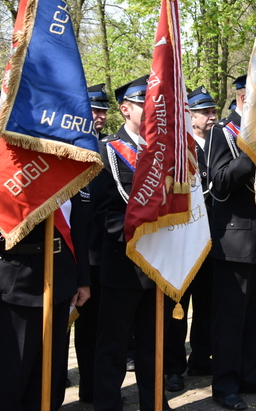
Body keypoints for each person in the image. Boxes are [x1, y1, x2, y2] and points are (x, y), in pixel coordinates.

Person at [205, 76, 256, 410]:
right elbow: (219, 182)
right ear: (245, 99)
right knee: (230, 318)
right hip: (235, 242)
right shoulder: (222, 133)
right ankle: (225, 384)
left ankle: (251, 376)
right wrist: (253, 151)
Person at [90, 75, 171, 411]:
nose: (150, 108)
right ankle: (107, 404)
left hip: (161, 262)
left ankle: (154, 402)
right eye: (143, 103)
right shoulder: (107, 151)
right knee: (113, 343)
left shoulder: (164, 151)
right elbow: (104, 210)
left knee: (154, 341)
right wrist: (137, 236)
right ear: (125, 109)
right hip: (123, 262)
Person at [0, 195, 90, 411]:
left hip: (59, 278)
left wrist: (83, 279)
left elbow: (77, 223)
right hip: (13, 281)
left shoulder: (62, 164)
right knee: (9, 376)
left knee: (47, 376)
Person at [162, 86, 218, 390]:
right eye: (204, 113)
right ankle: (172, 366)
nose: (211, 118)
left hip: (210, 240)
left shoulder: (219, 143)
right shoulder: (177, 148)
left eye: (213, 112)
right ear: (189, 116)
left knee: (206, 304)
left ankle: (200, 357)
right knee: (177, 307)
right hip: (181, 240)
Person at [72, 83, 112, 403]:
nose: (98, 116)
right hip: (77, 253)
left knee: (102, 326)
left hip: (105, 251)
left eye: (102, 111)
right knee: (81, 328)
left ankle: (95, 388)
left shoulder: (108, 148)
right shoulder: (70, 147)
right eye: (93, 109)